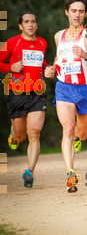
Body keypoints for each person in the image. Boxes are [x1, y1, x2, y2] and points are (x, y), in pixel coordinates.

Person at [45, 0, 87, 193]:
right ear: (67, 12)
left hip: (86, 89)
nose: (77, 14)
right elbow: (58, 59)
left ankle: (77, 140)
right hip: (64, 87)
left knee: (81, 132)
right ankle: (70, 173)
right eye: (73, 10)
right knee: (68, 127)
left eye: (81, 11)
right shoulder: (59, 36)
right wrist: (52, 69)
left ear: (86, 14)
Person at [0, 12, 49, 188]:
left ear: (36, 25)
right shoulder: (13, 42)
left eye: (33, 22)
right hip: (17, 93)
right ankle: (13, 134)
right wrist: (10, 67)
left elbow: (42, 64)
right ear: (20, 26)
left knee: (34, 133)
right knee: (21, 136)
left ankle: (30, 171)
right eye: (27, 22)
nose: (31, 25)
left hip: (37, 93)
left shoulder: (43, 43)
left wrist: (49, 68)